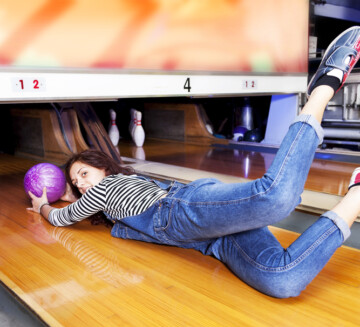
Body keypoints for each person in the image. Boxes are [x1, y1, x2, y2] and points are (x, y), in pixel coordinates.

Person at [27, 27, 360, 298]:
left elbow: (62, 218)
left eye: (84, 173)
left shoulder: (107, 188)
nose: (82, 183)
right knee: (282, 281)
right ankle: (357, 195)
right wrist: (72, 191)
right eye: (76, 182)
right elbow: (79, 202)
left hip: (185, 209)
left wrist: (43, 204)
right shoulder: (104, 205)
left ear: (105, 169)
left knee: (275, 198)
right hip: (209, 240)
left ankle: (324, 85)